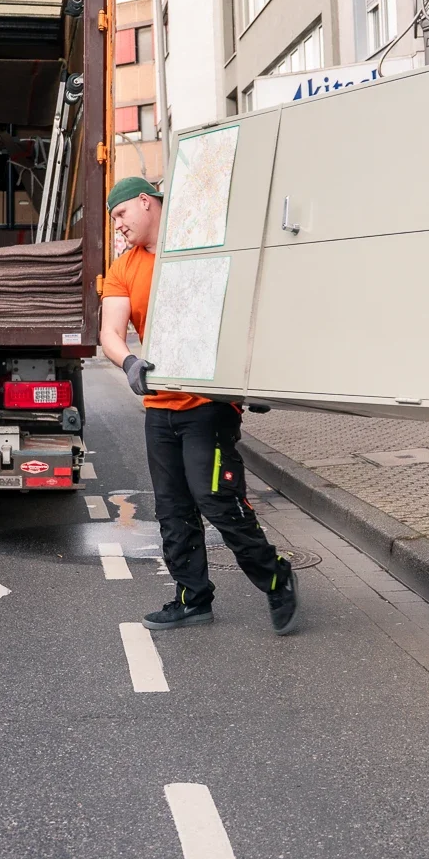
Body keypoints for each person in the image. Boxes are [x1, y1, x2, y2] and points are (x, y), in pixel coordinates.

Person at [98, 176, 299, 636]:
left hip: (207, 404)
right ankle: (192, 599)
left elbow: (243, 307)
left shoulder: (202, 247)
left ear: (145, 203)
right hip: (159, 408)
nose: (119, 226)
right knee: (171, 508)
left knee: (215, 499)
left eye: (121, 215)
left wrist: (255, 376)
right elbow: (111, 331)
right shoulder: (124, 266)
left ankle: (275, 576)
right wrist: (128, 361)